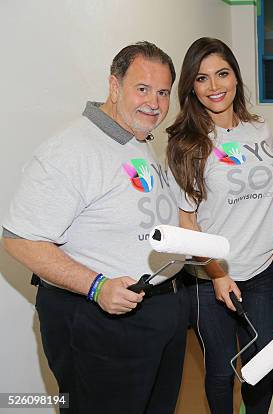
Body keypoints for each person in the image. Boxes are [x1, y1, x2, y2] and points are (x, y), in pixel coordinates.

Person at [1, 41, 189, 413]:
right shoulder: (71, 149)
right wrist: (96, 286)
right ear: (114, 86)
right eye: (142, 89)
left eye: (163, 92)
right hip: (101, 321)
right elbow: (19, 240)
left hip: (157, 311)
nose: (154, 102)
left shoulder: (134, 139)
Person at [166, 37, 273, 414]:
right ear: (191, 87)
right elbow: (187, 220)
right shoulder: (187, 143)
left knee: (262, 366)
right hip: (208, 277)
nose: (215, 87)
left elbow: (272, 187)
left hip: (261, 272)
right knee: (219, 371)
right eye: (202, 78)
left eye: (222, 74)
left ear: (235, 76)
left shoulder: (259, 129)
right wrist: (216, 273)